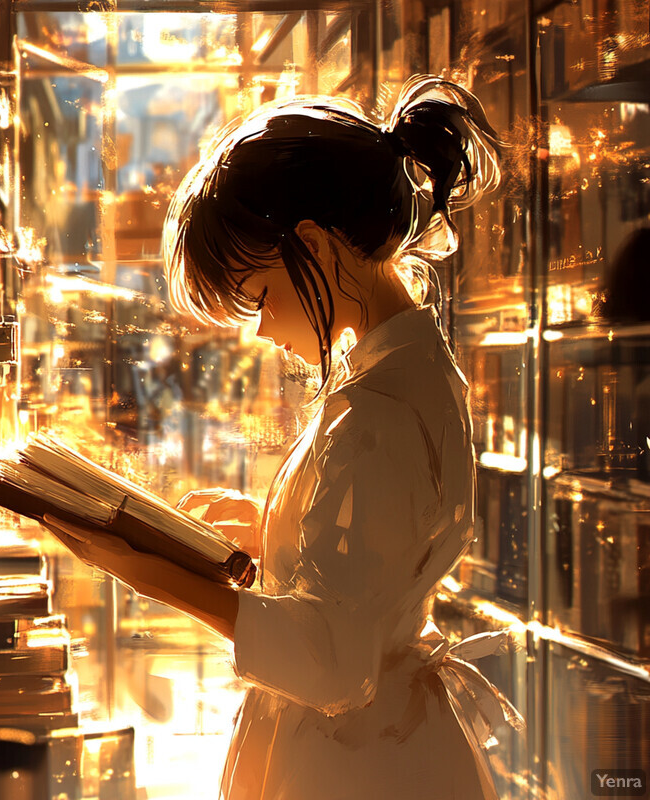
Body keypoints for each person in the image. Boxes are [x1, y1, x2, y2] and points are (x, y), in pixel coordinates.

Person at [43, 75, 524, 799]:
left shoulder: (377, 414)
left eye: (262, 297)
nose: (264, 329)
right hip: (380, 748)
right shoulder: (404, 370)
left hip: (352, 763)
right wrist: (281, 534)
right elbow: (377, 566)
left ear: (315, 247)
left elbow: (333, 659)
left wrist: (144, 570)